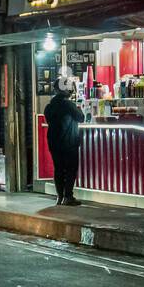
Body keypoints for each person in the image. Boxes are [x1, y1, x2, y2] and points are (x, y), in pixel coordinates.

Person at [44, 78, 83, 206]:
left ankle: (59, 197)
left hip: (54, 142)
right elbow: (81, 118)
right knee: (71, 169)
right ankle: (68, 196)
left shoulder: (49, 106)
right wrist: (79, 107)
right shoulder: (68, 105)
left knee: (58, 169)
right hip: (69, 142)